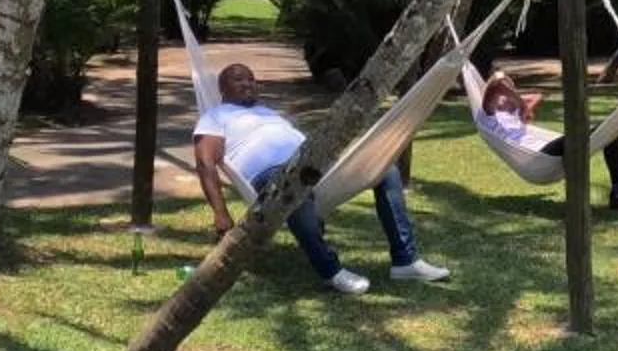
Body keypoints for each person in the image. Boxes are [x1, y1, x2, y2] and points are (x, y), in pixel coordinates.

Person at [192, 59, 450, 296]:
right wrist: (220, 212)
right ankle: (330, 271)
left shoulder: (268, 113)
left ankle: (405, 260)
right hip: (272, 175)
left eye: (251, 78)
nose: (248, 83)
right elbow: (205, 163)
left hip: (315, 164)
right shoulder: (215, 116)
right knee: (293, 190)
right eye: (239, 78)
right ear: (222, 89)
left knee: (386, 170)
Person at [476, 69, 618, 211]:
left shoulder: (511, 114)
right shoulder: (488, 114)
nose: (506, 97)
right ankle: (578, 204)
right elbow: (497, 81)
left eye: (509, 94)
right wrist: (519, 102)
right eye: (504, 95)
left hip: (547, 152)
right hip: (534, 159)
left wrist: (519, 106)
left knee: (611, 132)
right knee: (576, 136)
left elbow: (537, 95)